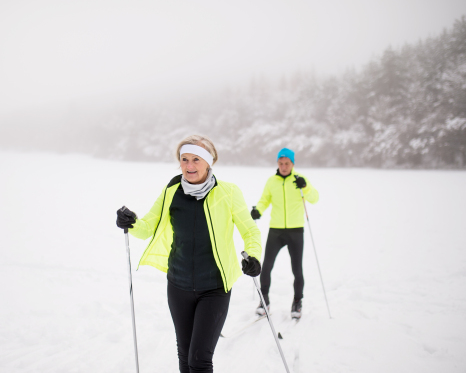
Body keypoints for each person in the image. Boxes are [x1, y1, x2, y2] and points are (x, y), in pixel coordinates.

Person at [116, 134, 262, 373]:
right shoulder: (172, 191)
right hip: (178, 285)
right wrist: (130, 222)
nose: (189, 165)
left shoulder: (228, 192)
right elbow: (146, 228)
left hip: (215, 287)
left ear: (208, 163)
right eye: (184, 159)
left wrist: (253, 255)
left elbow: (250, 231)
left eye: (196, 159)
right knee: (185, 358)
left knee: (199, 360)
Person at [250, 147, 319, 319]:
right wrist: (258, 210)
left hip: (296, 230)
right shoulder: (271, 181)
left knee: (297, 269)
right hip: (276, 230)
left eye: (287, 163)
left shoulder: (300, 180)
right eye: (280, 163)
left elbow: (314, 198)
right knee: (266, 266)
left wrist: (306, 187)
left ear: (292, 163)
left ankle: (297, 302)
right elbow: (265, 199)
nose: (283, 166)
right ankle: (264, 300)